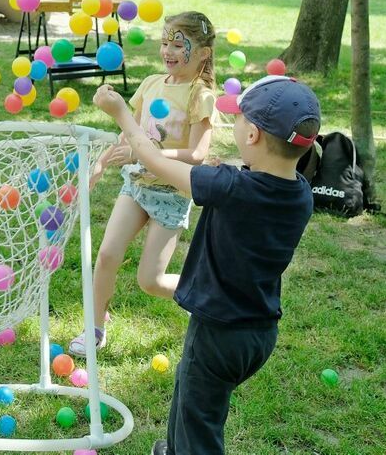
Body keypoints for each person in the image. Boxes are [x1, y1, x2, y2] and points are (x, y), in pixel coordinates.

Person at [94, 74, 318, 455]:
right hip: (258, 331)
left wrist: (120, 113)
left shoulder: (230, 186)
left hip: (218, 332)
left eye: (241, 119)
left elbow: (149, 158)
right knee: (190, 399)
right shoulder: (300, 194)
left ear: (253, 137)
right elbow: (252, 184)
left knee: (200, 422)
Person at [70, 11, 216, 357]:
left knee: (150, 281)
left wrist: (144, 155)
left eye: (178, 45)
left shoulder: (201, 96)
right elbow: (128, 132)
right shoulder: (151, 84)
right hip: (136, 186)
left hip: (170, 193)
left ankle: (206, 294)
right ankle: (95, 326)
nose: (168, 51)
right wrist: (101, 163)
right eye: (165, 42)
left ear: (203, 53)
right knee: (106, 254)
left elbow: (197, 154)